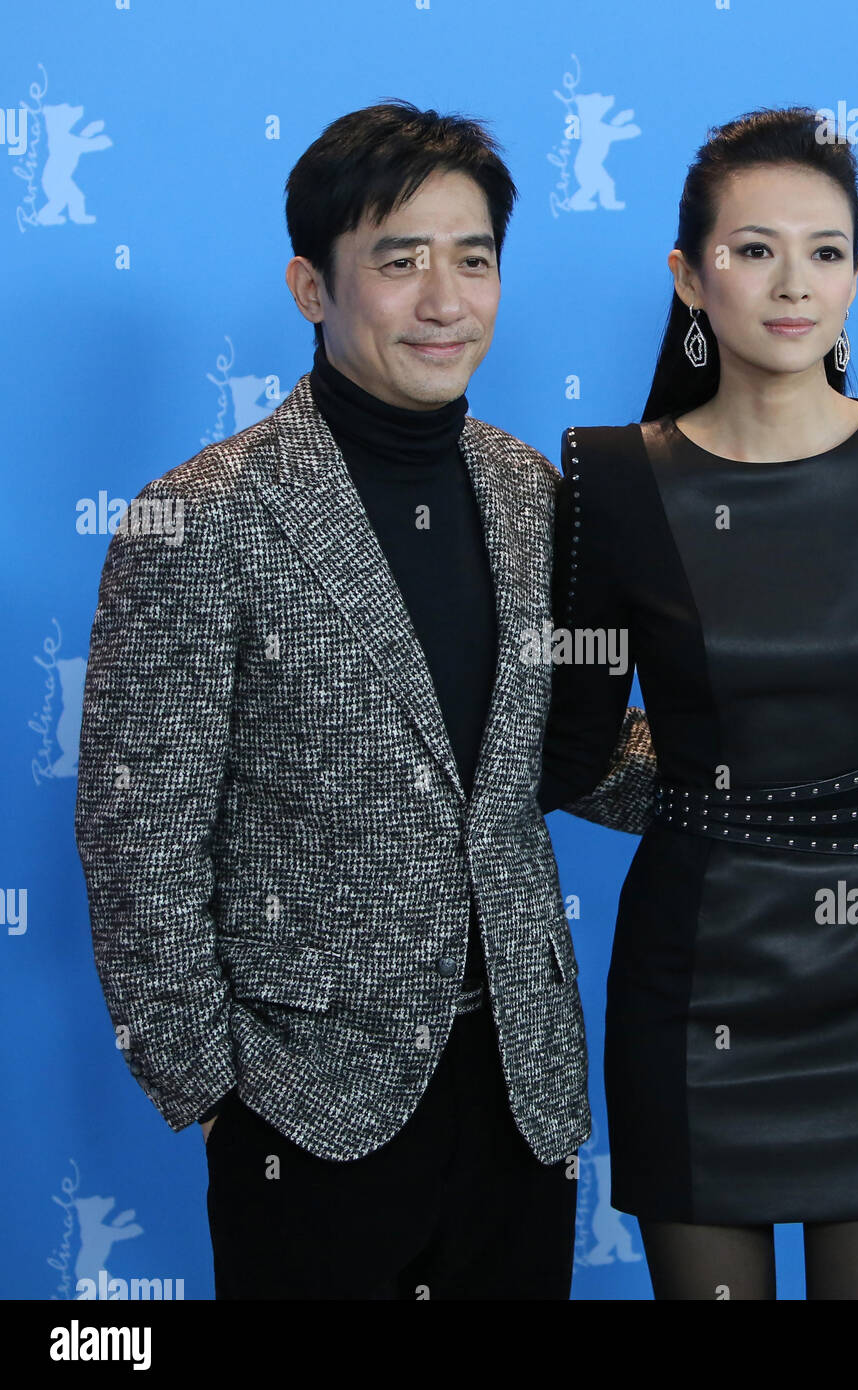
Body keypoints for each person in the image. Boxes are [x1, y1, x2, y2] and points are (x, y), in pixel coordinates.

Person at [73, 100, 654, 1301]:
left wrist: (781, 756)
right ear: (310, 285)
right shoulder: (204, 516)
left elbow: (561, 754)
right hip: (308, 1105)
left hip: (518, 1086)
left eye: (474, 258)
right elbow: (137, 831)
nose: (445, 299)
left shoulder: (533, 491)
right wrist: (217, 1092)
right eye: (400, 260)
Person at [538, 106, 858, 1300]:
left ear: (856, 272)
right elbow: (576, 749)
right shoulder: (609, 477)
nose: (792, 283)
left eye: (825, 250)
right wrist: (729, 790)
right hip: (692, 978)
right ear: (688, 277)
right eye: (753, 250)